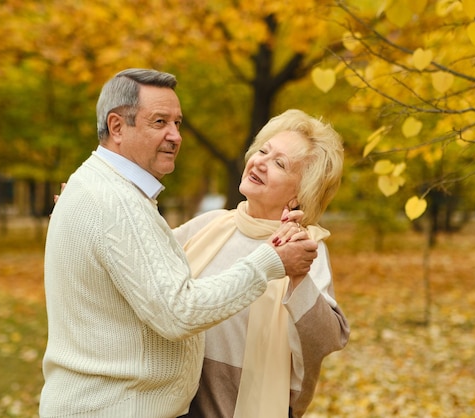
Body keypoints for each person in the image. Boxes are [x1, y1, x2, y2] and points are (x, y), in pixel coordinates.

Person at [39, 69, 319, 418]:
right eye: (159, 122)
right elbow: (180, 311)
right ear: (116, 127)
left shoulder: (102, 189)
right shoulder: (116, 202)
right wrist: (271, 262)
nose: (175, 136)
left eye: (177, 123)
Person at [175, 109, 350, 418]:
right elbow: (143, 264)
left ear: (299, 194)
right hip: (178, 401)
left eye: (279, 163)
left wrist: (298, 279)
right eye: (262, 151)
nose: (260, 163)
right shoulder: (210, 225)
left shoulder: (305, 247)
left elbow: (327, 339)